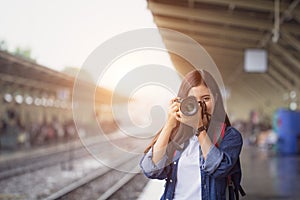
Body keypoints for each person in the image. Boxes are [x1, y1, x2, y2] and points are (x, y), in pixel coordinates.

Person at [140, 69, 245, 200]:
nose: (200, 106)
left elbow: (219, 169)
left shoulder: (230, 136)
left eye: (206, 99)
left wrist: (199, 129)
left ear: (216, 98)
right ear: (182, 102)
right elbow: (151, 169)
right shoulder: (177, 135)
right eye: (193, 101)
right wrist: (169, 125)